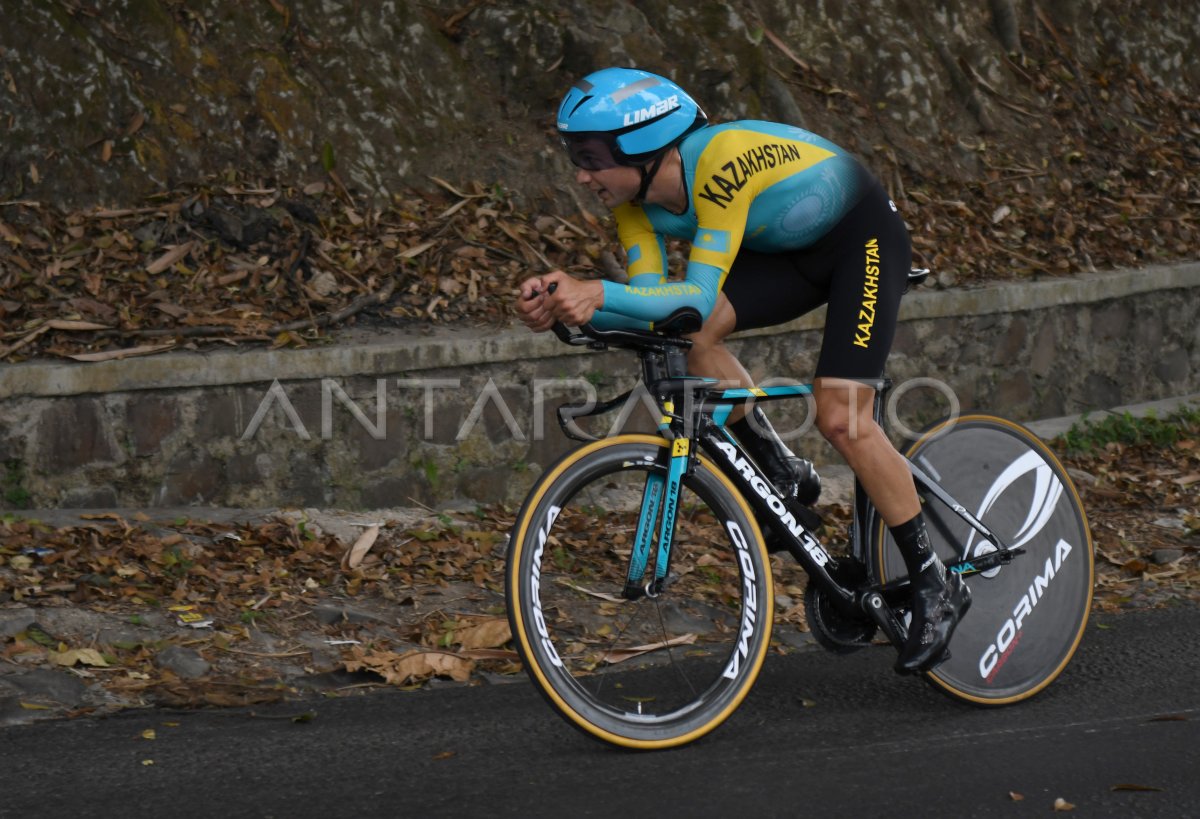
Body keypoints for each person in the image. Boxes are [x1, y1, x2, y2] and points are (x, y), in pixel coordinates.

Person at [515, 67, 969, 674]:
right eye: (576, 156)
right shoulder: (634, 204)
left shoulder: (723, 161)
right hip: (787, 252)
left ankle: (935, 581)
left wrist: (597, 291)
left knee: (840, 415)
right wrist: (567, 309)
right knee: (691, 336)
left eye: (591, 156)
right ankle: (780, 467)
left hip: (860, 237)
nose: (580, 174)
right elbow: (664, 313)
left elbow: (695, 296)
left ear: (644, 147)